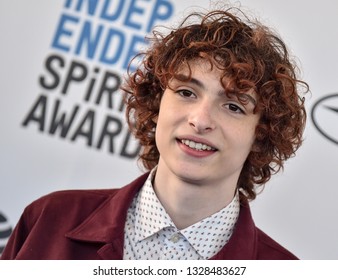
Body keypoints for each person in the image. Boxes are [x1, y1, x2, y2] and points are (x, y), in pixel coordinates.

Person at [1, 6, 308, 260]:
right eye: (187, 92)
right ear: (157, 101)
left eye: (233, 107)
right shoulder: (48, 220)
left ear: (261, 134)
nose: (200, 120)